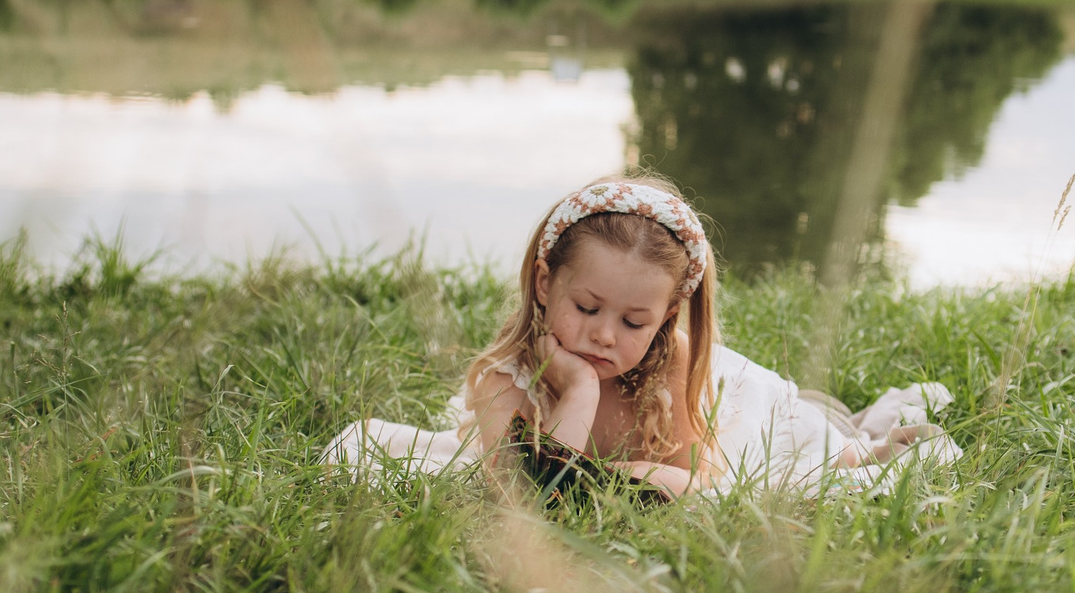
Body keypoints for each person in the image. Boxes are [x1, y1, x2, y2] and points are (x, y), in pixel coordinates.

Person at [324, 175, 959, 497]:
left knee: (810, 454)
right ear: (544, 282)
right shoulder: (504, 380)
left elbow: (699, 484)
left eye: (633, 323)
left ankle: (862, 441)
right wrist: (577, 392)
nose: (603, 336)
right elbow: (525, 491)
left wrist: (630, 473)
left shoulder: (671, 363)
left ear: (665, 319)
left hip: (733, 420)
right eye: (586, 307)